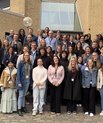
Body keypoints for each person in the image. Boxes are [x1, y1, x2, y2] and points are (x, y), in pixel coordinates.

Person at [16, 52, 32, 116]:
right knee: (20, 95)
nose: (27, 56)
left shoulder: (30, 63)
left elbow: (30, 73)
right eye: (26, 55)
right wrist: (19, 82)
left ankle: (23, 107)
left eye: (28, 55)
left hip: (27, 81)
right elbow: (18, 73)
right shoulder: (20, 63)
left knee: (24, 95)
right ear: (23, 56)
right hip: (22, 81)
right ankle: (19, 109)